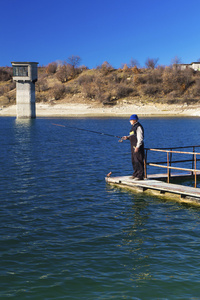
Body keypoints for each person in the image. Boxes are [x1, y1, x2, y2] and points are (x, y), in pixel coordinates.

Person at [123, 114, 144, 180]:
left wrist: (137, 147)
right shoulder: (133, 127)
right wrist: (127, 137)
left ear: (135, 120)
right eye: (130, 120)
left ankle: (140, 176)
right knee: (134, 161)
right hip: (133, 146)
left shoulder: (138, 127)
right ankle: (135, 174)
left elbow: (140, 138)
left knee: (139, 160)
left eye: (131, 120)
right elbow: (133, 135)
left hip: (138, 147)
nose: (130, 121)